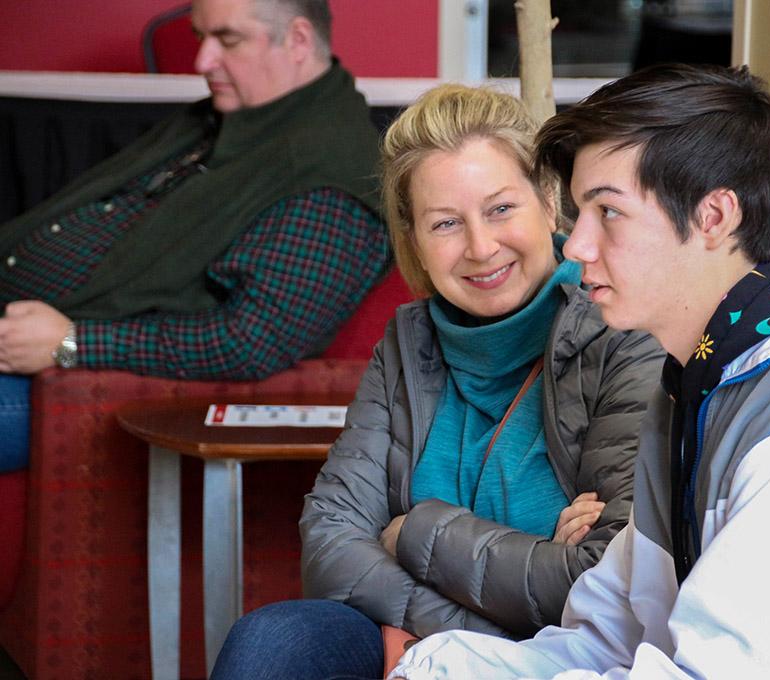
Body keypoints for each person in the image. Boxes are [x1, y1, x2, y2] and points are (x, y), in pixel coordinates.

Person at [390, 64, 770, 679]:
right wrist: (436, 665)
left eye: (607, 212)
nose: (575, 245)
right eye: (578, 212)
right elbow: (608, 639)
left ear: (715, 216)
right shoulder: (701, 386)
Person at [209, 84, 665, 679]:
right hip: (418, 650)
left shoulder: (621, 330)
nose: (480, 247)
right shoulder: (410, 340)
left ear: (549, 202)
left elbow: (601, 576)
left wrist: (410, 533)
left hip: (570, 660)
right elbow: (330, 545)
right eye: (446, 223)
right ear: (416, 243)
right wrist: (475, 640)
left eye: (501, 209)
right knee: (273, 642)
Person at [0, 0, 391, 473]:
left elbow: (252, 340)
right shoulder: (227, 119)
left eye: (227, 40)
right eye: (200, 38)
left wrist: (72, 342)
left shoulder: (331, 172)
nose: (202, 62)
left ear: (299, 40)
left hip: (62, 384)